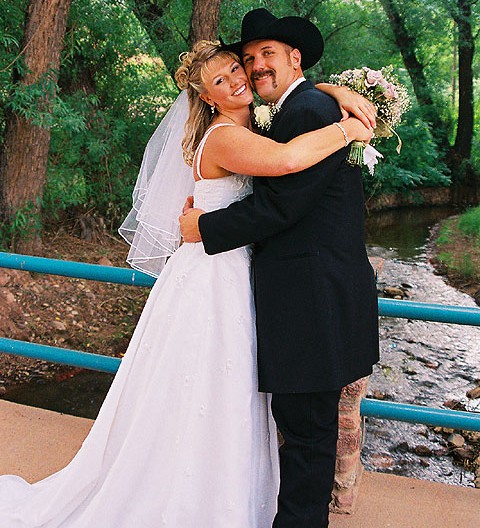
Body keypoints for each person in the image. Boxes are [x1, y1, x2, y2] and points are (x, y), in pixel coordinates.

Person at [0, 36, 373, 528]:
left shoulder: (256, 122)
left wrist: (330, 92)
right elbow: (285, 164)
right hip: (215, 278)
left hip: (234, 271)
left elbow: (286, 136)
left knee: (228, 390)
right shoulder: (224, 136)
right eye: (222, 80)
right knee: (210, 387)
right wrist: (350, 127)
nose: (241, 77)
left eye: (239, 68)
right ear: (207, 97)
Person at [180, 8, 380, 528]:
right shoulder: (297, 111)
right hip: (305, 295)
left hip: (310, 298)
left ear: (295, 58)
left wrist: (206, 227)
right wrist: (336, 93)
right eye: (247, 60)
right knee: (304, 429)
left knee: (307, 434)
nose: (254, 67)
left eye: (265, 55)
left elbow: (280, 206)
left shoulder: (309, 111)